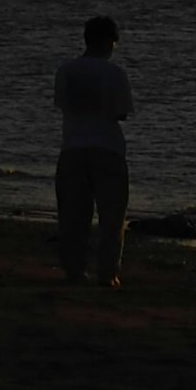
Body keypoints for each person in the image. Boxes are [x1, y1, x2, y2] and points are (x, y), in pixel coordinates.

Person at [51, 15, 132, 287]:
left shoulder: (66, 70)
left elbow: (62, 104)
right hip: (107, 147)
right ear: (110, 42)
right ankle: (108, 273)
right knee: (111, 217)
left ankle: (74, 269)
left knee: (73, 216)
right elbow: (121, 112)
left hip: (73, 146)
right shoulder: (115, 74)